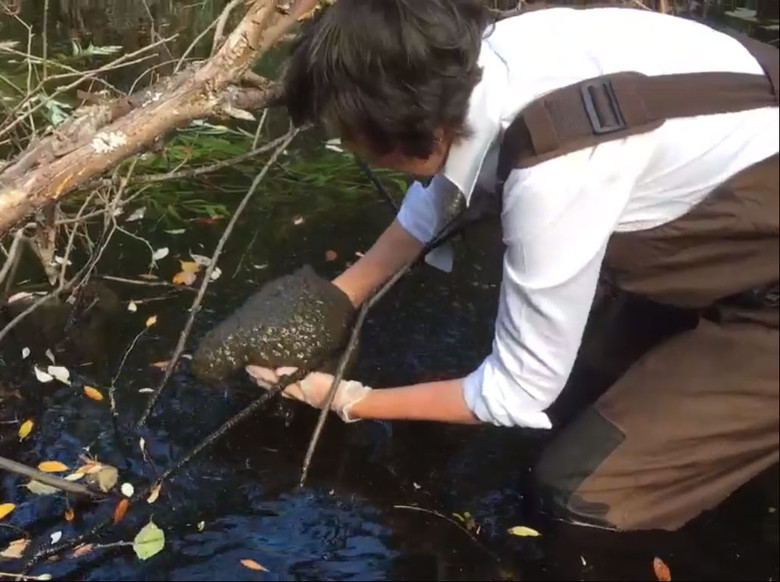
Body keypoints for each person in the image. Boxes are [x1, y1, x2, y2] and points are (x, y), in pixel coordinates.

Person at [243, 0, 779, 532]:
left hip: (763, 288)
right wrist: (338, 297)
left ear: (410, 129)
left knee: (578, 492)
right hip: (734, 250)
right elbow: (440, 187)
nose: (351, 148)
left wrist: (347, 400)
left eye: (351, 136)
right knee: (576, 397)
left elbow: (517, 391)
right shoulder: (481, 61)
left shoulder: (556, 174)